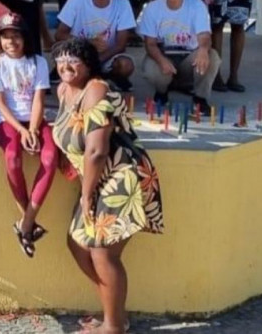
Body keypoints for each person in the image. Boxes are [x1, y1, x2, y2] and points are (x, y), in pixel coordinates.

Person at [51, 38, 163, 334]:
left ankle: (113, 326)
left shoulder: (97, 89)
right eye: (61, 59)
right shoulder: (63, 90)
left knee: (102, 252)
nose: (66, 65)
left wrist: (86, 196)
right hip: (96, 180)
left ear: (89, 64)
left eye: (74, 60)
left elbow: (97, 151)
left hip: (121, 176)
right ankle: (114, 313)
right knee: (78, 244)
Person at [0, 12, 57, 257]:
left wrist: (34, 129)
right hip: (8, 120)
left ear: (25, 38)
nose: (11, 42)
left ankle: (25, 224)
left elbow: (39, 98)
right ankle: (28, 221)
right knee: (13, 158)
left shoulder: (38, 62)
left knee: (49, 159)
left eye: (16, 36)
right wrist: (22, 131)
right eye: (5, 37)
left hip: (35, 119)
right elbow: (0, 102)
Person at [139, 0, 217, 115]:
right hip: (165, 54)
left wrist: (203, 49)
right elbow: (150, 44)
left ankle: (200, 98)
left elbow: (204, 35)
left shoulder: (197, 5)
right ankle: (162, 93)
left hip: (189, 57)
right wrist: (161, 60)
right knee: (152, 68)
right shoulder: (152, 8)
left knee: (211, 57)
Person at [55, 0, 137, 91]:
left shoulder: (123, 4)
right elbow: (60, 34)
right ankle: (82, 76)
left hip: (106, 55)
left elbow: (121, 45)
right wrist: (89, 42)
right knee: (73, 76)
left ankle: (109, 78)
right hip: (79, 53)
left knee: (125, 65)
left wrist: (97, 61)